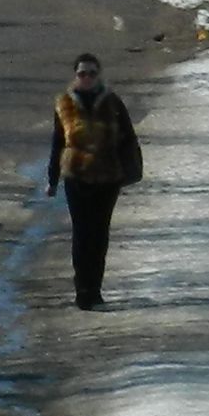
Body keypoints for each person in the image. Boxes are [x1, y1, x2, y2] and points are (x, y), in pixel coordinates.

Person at [44, 51, 145, 309]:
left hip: (107, 176)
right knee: (81, 233)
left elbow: (128, 139)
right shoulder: (64, 104)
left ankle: (95, 291)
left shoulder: (112, 102)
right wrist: (52, 179)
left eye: (92, 73)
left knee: (99, 234)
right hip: (76, 175)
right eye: (82, 73)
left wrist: (132, 172)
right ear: (75, 76)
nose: (87, 78)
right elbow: (58, 142)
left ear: (99, 75)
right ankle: (82, 292)